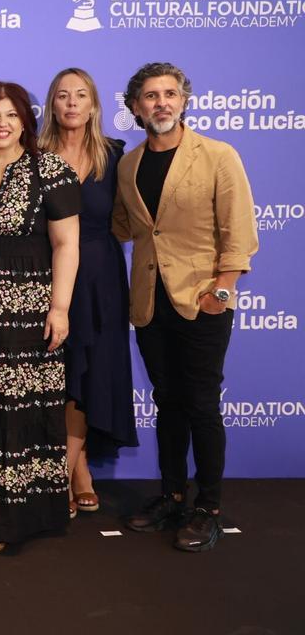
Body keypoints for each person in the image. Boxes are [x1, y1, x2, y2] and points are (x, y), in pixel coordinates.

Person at [113, 62, 257, 552]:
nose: (161, 103)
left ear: (184, 101)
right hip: (150, 303)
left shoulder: (217, 155)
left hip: (202, 300)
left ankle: (208, 507)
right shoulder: (129, 165)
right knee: (168, 402)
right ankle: (173, 496)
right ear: (136, 107)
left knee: (201, 403)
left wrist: (222, 291)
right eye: (151, 96)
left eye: (170, 94)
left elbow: (239, 232)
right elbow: (124, 226)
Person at [0, 81, 80, 553]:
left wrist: (60, 308)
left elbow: (66, 245)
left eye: (11, 114)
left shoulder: (50, 170)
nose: (2, 124)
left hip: (30, 312)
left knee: (22, 411)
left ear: (26, 120)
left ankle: (19, 518)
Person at [38, 68, 138, 519]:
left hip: (100, 279)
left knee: (91, 373)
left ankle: (66, 474)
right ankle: (77, 472)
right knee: (59, 376)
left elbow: (132, 219)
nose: (72, 103)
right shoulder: (34, 155)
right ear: (52, 104)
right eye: (63, 95)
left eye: (81, 95)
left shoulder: (114, 155)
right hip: (49, 276)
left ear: (94, 104)